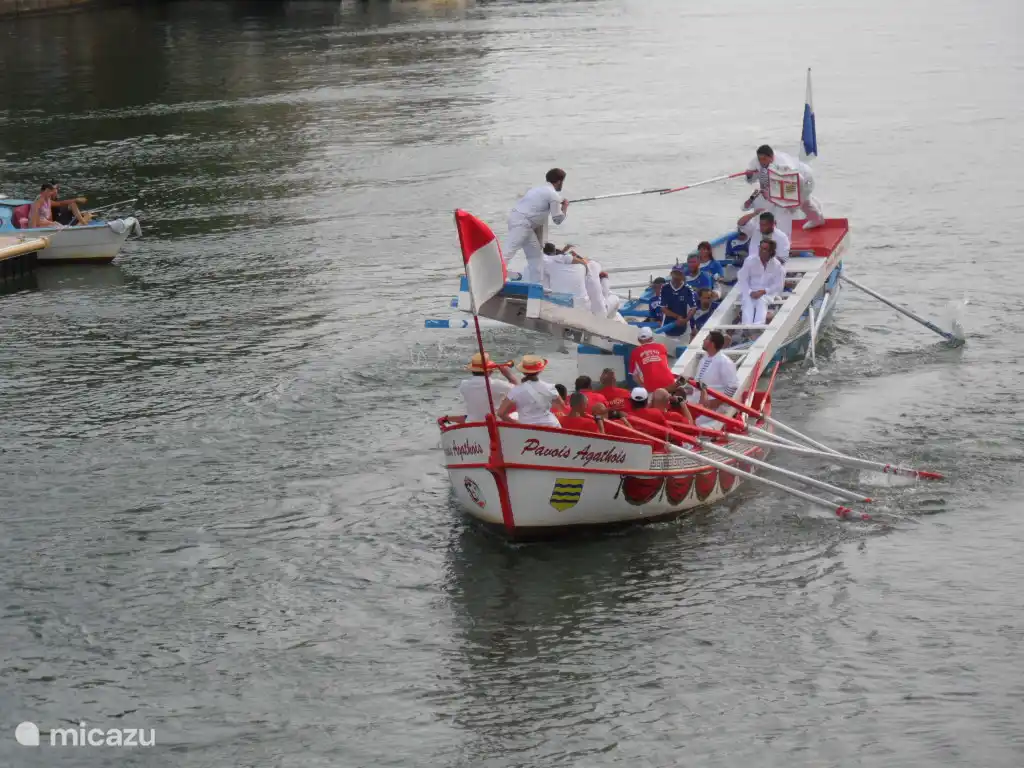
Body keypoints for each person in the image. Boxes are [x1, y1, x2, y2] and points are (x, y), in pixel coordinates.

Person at [504, 169, 570, 285]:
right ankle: (494, 276)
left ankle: (537, 286)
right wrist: (564, 207)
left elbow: (536, 207)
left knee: (535, 257)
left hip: (524, 224)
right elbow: (557, 219)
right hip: (521, 224)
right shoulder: (553, 195)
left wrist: (556, 204)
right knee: (508, 252)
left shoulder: (537, 189)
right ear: (559, 181)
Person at [744, 144, 823, 231]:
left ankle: (815, 218)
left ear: (772, 157)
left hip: (804, 179)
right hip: (782, 182)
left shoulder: (784, 165)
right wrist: (749, 176)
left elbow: (796, 182)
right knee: (796, 204)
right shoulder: (755, 162)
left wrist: (773, 195)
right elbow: (752, 179)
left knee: (797, 204)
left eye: (764, 159)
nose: (761, 162)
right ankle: (816, 218)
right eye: (760, 159)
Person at [448, 352, 519, 423]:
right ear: (489, 371)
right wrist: (508, 374)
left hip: (471, 422)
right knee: (517, 411)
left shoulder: (464, 384)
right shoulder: (497, 384)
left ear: (472, 370)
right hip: (495, 422)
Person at [498, 355, 564, 426]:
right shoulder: (550, 387)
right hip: (551, 425)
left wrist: (517, 424)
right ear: (540, 371)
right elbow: (562, 406)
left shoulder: (515, 390)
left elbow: (501, 413)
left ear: (523, 372)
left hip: (527, 428)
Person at [736, 239, 786, 325]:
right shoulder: (750, 260)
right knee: (747, 301)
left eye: (765, 249)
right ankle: (746, 327)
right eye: (760, 248)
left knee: (761, 300)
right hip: (750, 291)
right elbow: (742, 278)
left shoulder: (777, 265)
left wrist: (763, 291)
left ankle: (758, 326)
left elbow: (778, 285)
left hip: (767, 293)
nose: (761, 251)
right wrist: (750, 291)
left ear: (771, 251)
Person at [687, 330, 739, 407]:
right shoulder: (704, 359)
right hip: (697, 400)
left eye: (706, 339)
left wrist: (713, 403)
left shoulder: (725, 362)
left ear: (712, 344)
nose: (703, 340)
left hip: (713, 405)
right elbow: (699, 382)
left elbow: (732, 387)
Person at [629, 326, 677, 392]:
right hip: (670, 383)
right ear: (652, 338)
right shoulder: (662, 347)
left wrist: (645, 386)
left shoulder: (635, 352)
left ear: (639, 340)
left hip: (652, 387)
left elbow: (635, 377)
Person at [659, 265, 696, 336]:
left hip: (684, 326)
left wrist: (685, 320)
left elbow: (693, 308)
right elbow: (663, 308)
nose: (677, 276)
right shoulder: (665, 288)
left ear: (683, 275)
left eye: (679, 274)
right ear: (671, 274)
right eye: (675, 274)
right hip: (667, 324)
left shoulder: (688, 289)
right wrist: (677, 317)